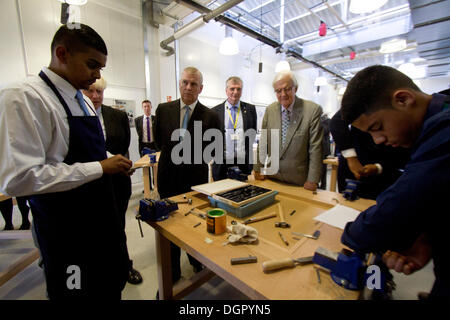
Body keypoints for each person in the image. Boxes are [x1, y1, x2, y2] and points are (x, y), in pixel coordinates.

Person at [0, 23, 132, 299]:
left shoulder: (80, 99)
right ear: (62, 53)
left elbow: (85, 151)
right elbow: (20, 179)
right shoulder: (25, 97)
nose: (97, 76)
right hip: (68, 234)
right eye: (92, 65)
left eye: (101, 69)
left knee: (108, 287)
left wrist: (111, 159)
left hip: (101, 225)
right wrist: (99, 167)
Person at [339, 65, 450, 300]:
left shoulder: (444, 131)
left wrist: (349, 234)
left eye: (377, 128)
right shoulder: (432, 122)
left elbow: (399, 207)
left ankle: (379, 289)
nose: (378, 140)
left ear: (403, 99)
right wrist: (427, 239)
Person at [154, 66, 220, 286]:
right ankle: (172, 274)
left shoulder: (211, 116)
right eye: (185, 82)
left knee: (194, 225)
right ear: (179, 83)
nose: (188, 87)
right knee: (169, 227)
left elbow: (214, 150)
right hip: (167, 179)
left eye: (193, 84)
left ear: (201, 88)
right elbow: (158, 142)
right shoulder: (163, 110)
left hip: (194, 181)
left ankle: (196, 261)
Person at [83, 77, 143, 285]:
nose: (95, 96)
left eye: (99, 92)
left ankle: (124, 265)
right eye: (90, 91)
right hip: (88, 183)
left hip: (117, 183)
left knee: (118, 227)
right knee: (92, 230)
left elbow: (124, 145)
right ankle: (98, 270)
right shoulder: (75, 116)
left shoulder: (116, 115)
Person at [254, 70, 323, 191]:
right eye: (278, 91)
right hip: (272, 177)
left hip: (299, 182)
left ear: (295, 88)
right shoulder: (270, 110)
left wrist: (313, 179)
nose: (283, 94)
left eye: (287, 89)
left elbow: (315, 148)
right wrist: (257, 168)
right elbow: (263, 142)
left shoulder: (312, 110)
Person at [330, 109, 410, 200]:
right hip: (356, 166)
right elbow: (336, 123)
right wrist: (351, 157)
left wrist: (378, 167)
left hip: (387, 171)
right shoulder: (363, 101)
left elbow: (405, 156)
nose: (377, 139)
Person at [211, 76, 257, 180]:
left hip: (243, 163)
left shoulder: (250, 109)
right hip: (222, 163)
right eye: (232, 89)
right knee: (220, 193)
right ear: (226, 90)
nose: (235, 92)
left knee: (242, 194)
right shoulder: (215, 112)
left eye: (238, 89)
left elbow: (252, 133)